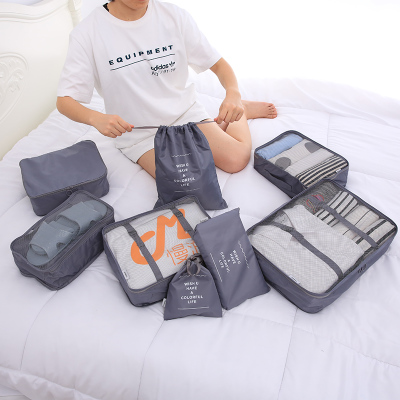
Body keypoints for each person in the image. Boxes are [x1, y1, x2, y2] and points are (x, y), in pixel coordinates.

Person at [56, 0, 277, 178]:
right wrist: (95, 118)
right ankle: (215, 127)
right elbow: (65, 101)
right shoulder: (87, 33)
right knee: (185, 181)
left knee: (236, 159)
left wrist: (233, 95)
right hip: (140, 132)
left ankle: (242, 111)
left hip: (184, 114)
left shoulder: (174, 16)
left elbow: (218, 65)